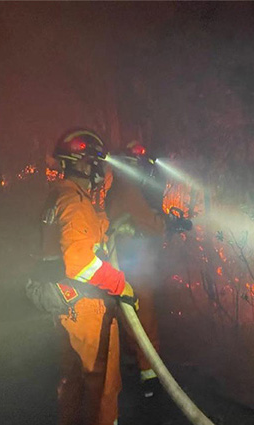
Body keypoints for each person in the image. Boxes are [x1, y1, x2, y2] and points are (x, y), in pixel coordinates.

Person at [39, 128, 135, 425]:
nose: (101, 170)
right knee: (104, 386)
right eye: (97, 162)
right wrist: (121, 285)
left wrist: (113, 225)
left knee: (72, 383)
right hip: (87, 310)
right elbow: (80, 262)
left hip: (65, 308)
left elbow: (82, 233)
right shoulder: (75, 203)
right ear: (83, 163)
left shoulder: (63, 196)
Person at [105, 142, 191, 400]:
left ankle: (134, 363)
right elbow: (149, 224)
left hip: (124, 263)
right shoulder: (129, 189)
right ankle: (150, 376)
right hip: (135, 265)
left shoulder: (118, 189)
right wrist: (168, 223)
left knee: (129, 315)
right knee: (145, 316)